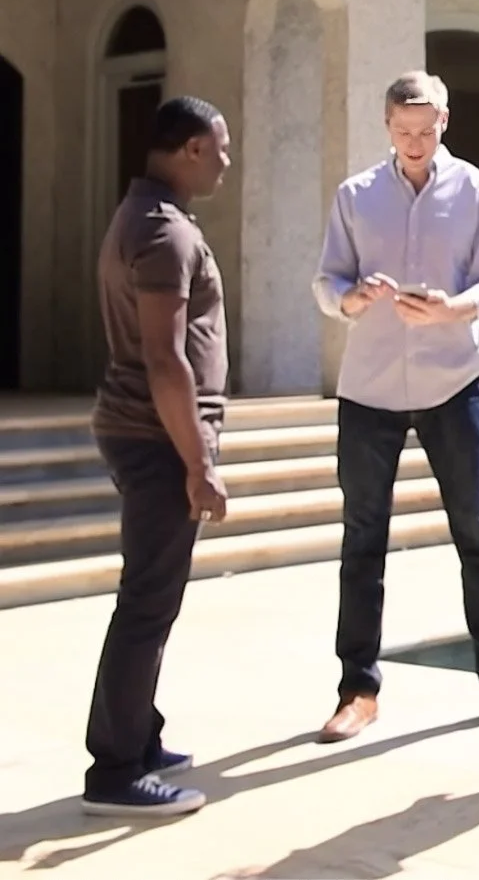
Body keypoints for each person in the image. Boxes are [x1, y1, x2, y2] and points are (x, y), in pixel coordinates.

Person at [311, 70, 479, 741]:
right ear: (387, 126)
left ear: (444, 121)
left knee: (478, 534)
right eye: (401, 130)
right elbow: (328, 280)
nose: (413, 142)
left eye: (425, 129)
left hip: (452, 384)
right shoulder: (355, 196)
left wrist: (454, 307)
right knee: (363, 541)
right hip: (369, 388)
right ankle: (357, 689)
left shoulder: (476, 191)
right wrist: (348, 300)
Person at [82, 96, 232, 817]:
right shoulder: (164, 234)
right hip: (156, 437)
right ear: (191, 148)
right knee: (146, 603)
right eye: (220, 147)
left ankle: (137, 737)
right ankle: (115, 770)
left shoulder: (138, 217)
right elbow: (166, 360)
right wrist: (198, 461)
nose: (226, 161)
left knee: (150, 600)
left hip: (141, 430)